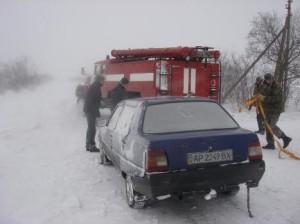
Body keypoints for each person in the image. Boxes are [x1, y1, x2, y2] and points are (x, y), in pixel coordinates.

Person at [256, 73, 292, 149]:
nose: (268, 81)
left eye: (269, 79)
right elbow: (261, 93)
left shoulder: (277, 87)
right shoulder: (265, 85)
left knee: (271, 126)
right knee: (267, 125)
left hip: (276, 109)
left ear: (272, 79)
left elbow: (276, 99)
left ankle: (285, 138)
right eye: (267, 80)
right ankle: (270, 143)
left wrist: (264, 98)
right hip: (268, 109)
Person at [83, 75, 105, 152]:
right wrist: (100, 103)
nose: (104, 81)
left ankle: (89, 145)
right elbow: (91, 100)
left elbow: (93, 98)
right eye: (103, 80)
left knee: (91, 128)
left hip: (90, 110)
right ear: (99, 80)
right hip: (90, 110)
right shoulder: (96, 87)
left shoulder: (95, 86)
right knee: (91, 128)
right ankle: (90, 145)